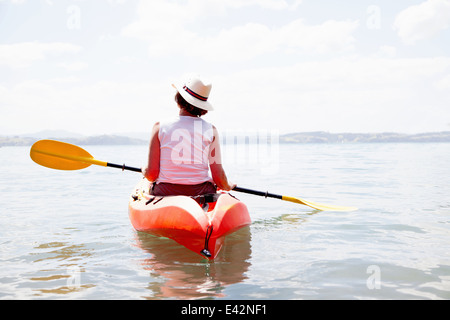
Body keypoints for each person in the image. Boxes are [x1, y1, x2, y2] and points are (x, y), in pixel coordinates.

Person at [141, 75, 236, 196]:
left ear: (179, 98)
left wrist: (144, 170)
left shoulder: (159, 126)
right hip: (201, 192)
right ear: (202, 106)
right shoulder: (211, 130)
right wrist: (228, 185)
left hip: (166, 192)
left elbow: (151, 174)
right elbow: (219, 178)